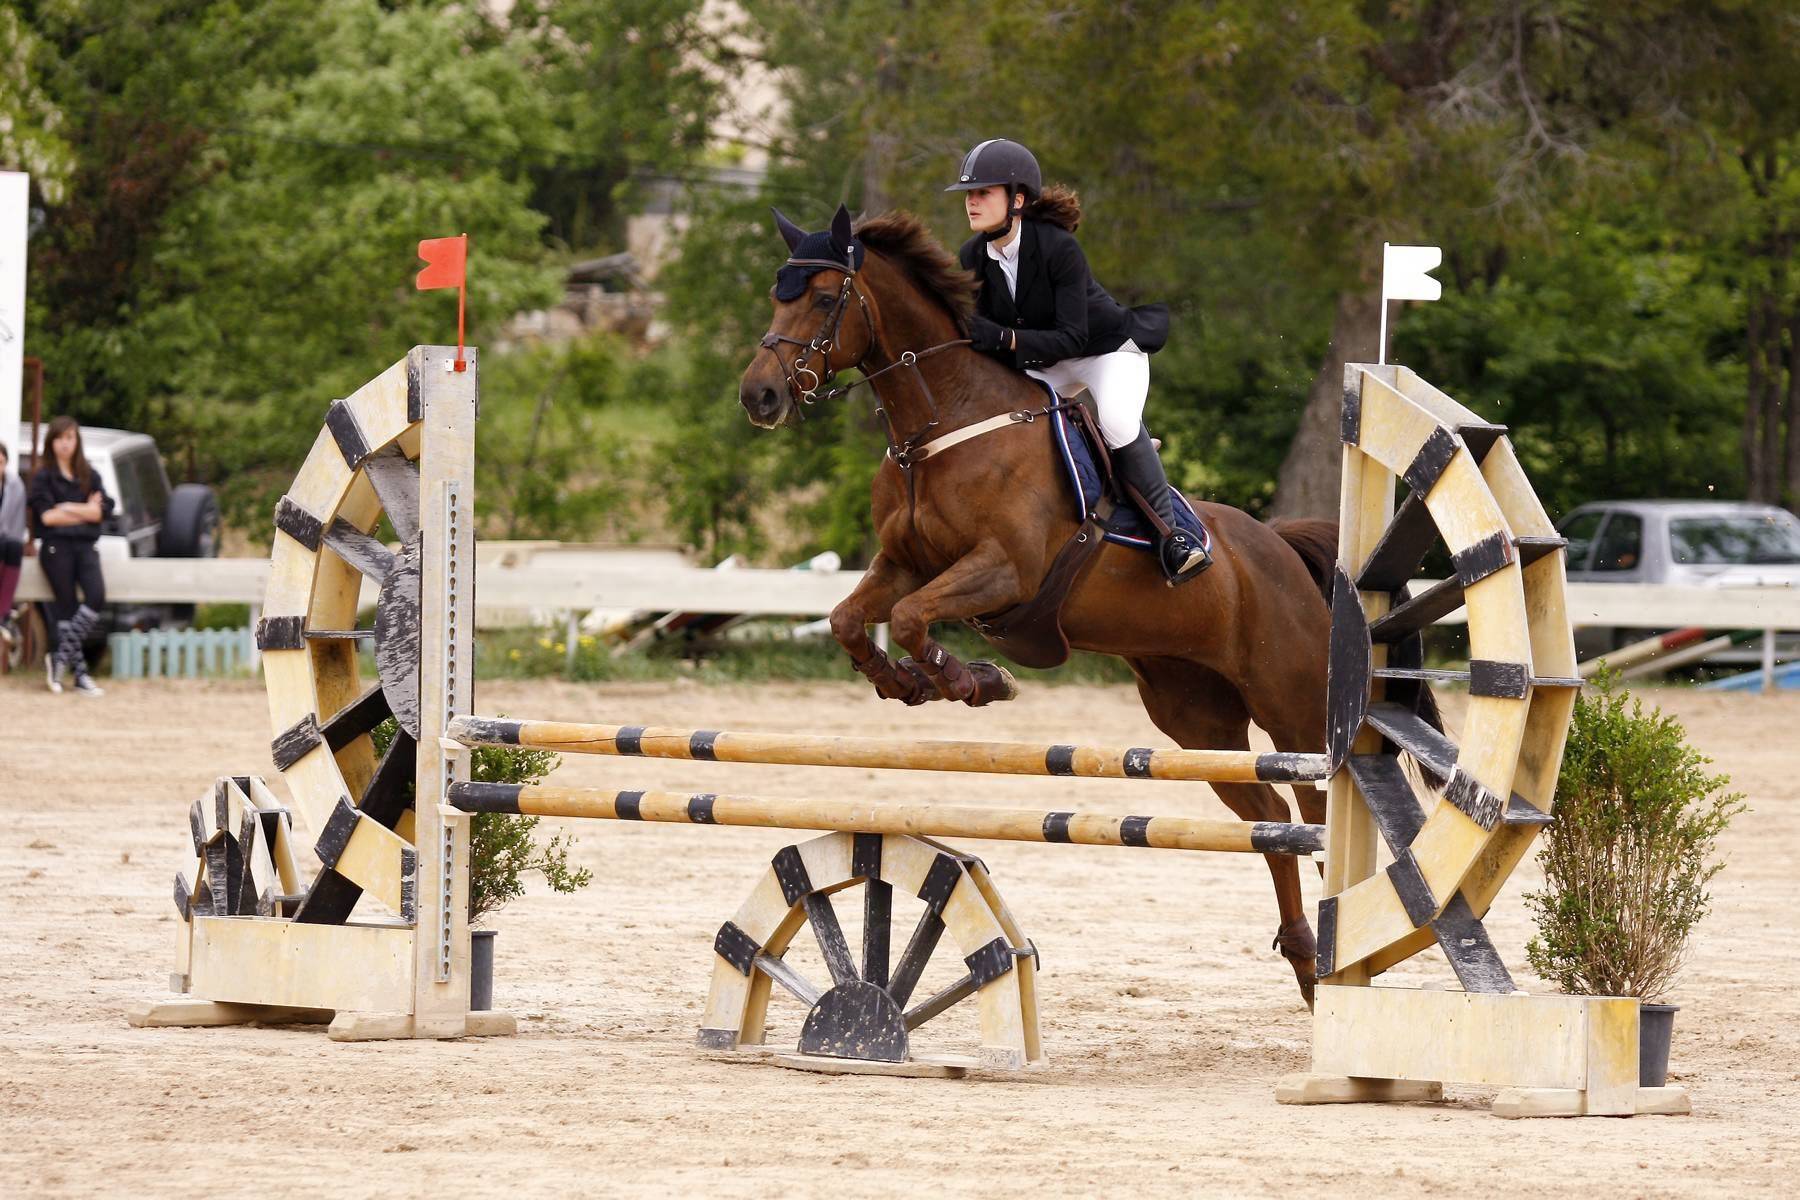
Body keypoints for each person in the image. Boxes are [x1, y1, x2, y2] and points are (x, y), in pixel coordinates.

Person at [947, 138, 1210, 585]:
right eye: (970, 194)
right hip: (1045, 360)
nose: (972, 202)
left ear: (1018, 199)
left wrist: (1005, 338)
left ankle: (1174, 537)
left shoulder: (1056, 248)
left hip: (1104, 353)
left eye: (983, 192)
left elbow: (1072, 336)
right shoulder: (973, 256)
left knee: (1119, 423)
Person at [27, 416, 112, 696]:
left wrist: (67, 507)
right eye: (61, 438)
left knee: (96, 596)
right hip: (57, 549)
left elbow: (100, 512)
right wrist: (83, 510)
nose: (66, 444)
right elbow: (47, 517)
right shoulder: (43, 477)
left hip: (85, 547)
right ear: (52, 442)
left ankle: (59, 657)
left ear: (77, 441)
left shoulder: (88, 474)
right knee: (67, 609)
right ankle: (80, 675)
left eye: (71, 438)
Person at [0, 442, 26, 649]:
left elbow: (16, 523)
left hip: (6, 540)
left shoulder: (15, 486)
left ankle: (3, 613)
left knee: (13, 547)